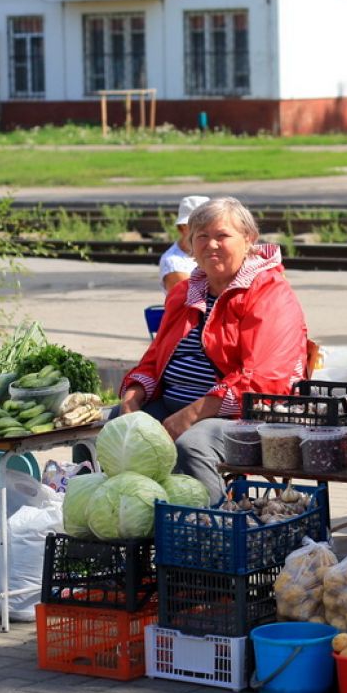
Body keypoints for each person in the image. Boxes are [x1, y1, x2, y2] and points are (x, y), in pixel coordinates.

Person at [120, 197, 308, 486]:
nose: (211, 244)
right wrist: (131, 398)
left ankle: (213, 522)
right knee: (114, 428)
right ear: (191, 245)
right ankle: (138, 516)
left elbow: (263, 380)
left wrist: (192, 414)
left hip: (245, 416)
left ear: (249, 240)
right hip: (174, 405)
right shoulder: (185, 293)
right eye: (202, 237)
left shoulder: (270, 294)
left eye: (222, 235)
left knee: (191, 445)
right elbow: (154, 359)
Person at [158, 194, 210, 294]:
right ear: (182, 228)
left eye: (209, 224)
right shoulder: (173, 262)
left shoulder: (212, 251)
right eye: (196, 225)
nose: (204, 229)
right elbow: (192, 300)